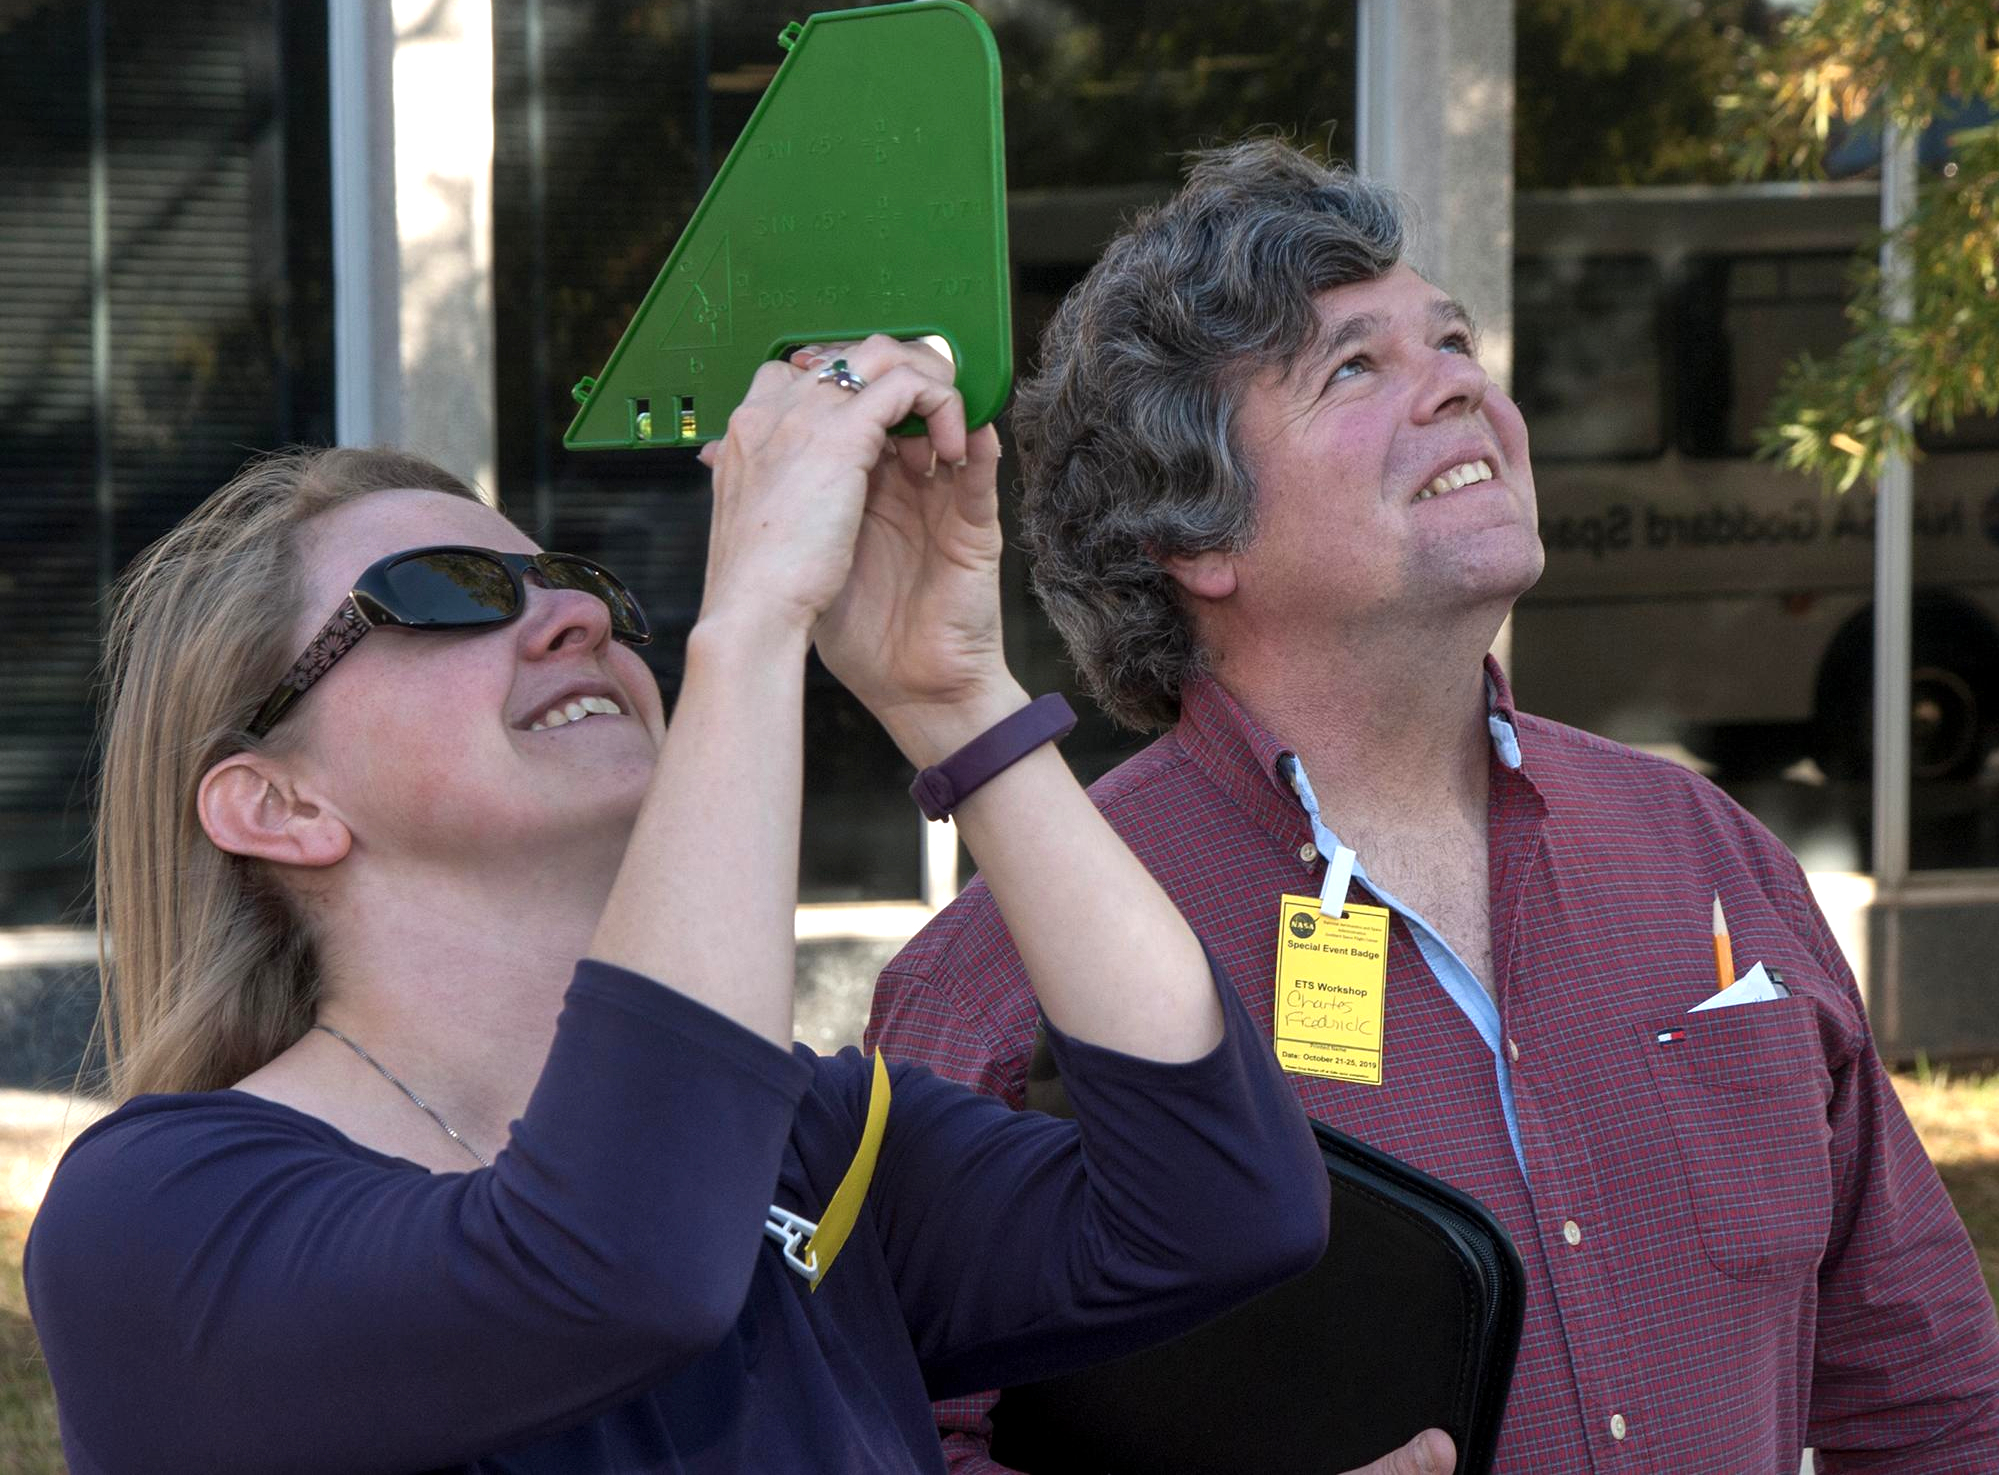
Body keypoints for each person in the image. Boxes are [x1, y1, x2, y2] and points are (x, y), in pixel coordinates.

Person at [866, 142, 1999, 1474]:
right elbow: (869, 1437)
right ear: (1193, 538)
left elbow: (1933, 1404)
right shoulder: (1008, 970)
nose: (1460, 387)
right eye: (1355, 369)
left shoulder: (1705, 852)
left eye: (1452, 342)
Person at [20, 336, 1388, 1475]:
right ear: (277, 806)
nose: (576, 621)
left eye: (583, 586)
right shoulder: (155, 1219)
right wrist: (749, 627)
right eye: (446, 593)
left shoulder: (814, 1144)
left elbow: (1220, 1209)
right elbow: (613, 1266)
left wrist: (949, 692)